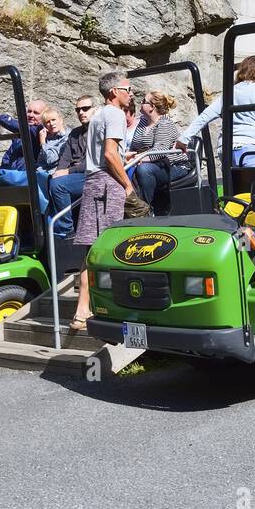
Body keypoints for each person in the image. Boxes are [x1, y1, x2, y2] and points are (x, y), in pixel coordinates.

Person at [71, 72, 145, 330]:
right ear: (114, 91)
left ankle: (82, 310)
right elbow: (110, 154)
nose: (131, 92)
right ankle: (91, 310)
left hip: (94, 181)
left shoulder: (98, 115)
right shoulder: (114, 114)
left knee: (93, 249)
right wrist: (127, 185)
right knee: (107, 247)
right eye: (128, 88)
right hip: (106, 183)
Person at [182, 56, 255, 168]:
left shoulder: (230, 91)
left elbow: (206, 115)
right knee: (252, 184)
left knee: (232, 184)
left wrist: (184, 138)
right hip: (251, 146)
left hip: (226, 147)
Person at [130, 91, 187, 213]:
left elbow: (160, 151)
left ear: (152, 107)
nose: (140, 103)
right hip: (151, 161)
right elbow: (134, 145)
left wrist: (138, 159)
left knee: (144, 170)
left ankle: (144, 209)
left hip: (173, 166)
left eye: (144, 101)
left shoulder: (164, 123)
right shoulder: (143, 122)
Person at [49, 96, 93, 239]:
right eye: (78, 110)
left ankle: (65, 230)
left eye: (85, 109)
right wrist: (58, 172)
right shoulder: (74, 133)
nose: (81, 112)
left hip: (91, 175)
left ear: (95, 109)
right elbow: (65, 158)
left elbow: (92, 163)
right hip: (75, 175)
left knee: (58, 184)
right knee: (49, 180)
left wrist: (66, 172)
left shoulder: (98, 130)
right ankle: (47, 228)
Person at [0, 98, 46, 171]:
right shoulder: (20, 132)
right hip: (11, 176)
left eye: (36, 113)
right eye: (29, 111)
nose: (31, 115)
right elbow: (9, 156)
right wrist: (3, 172)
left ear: (44, 116)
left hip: (25, 178)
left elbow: (24, 128)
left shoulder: (40, 131)